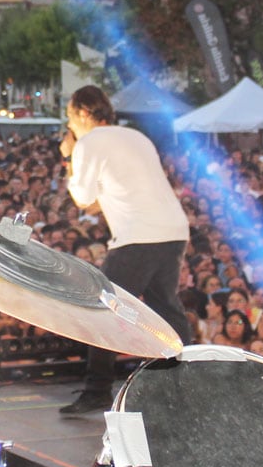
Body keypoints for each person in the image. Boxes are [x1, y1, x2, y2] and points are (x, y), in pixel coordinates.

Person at [57, 85, 193, 414]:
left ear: (82, 114)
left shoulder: (89, 141)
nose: (70, 126)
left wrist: (68, 157)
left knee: (102, 306)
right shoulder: (136, 136)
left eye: (71, 119)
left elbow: (83, 198)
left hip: (139, 235)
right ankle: (184, 381)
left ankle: (97, 389)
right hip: (173, 229)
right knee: (166, 308)